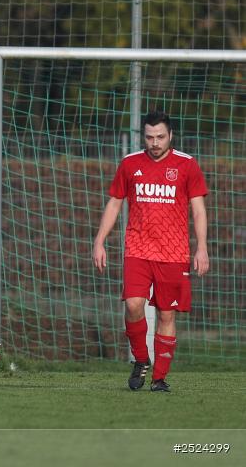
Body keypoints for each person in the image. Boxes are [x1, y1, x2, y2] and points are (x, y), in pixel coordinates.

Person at [93, 111, 209, 393]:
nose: (154, 142)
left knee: (167, 315)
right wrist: (99, 241)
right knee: (133, 304)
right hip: (138, 248)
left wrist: (201, 247)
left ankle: (159, 378)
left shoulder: (187, 165)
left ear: (171, 135)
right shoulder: (130, 164)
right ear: (143, 136)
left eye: (160, 137)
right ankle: (141, 360)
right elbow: (114, 204)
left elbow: (198, 209)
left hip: (174, 252)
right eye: (149, 137)